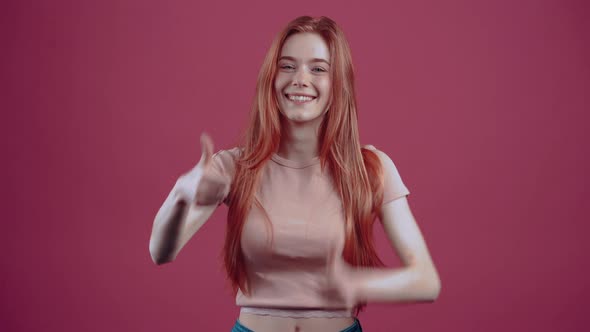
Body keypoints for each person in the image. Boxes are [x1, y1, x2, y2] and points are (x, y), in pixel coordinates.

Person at [149, 15, 441, 332]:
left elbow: (426, 281)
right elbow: (161, 252)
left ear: (338, 83)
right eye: (287, 66)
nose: (300, 79)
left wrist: (355, 284)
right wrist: (181, 194)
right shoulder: (234, 167)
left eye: (317, 68)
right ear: (271, 79)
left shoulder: (371, 167)